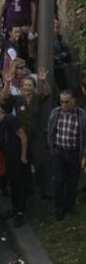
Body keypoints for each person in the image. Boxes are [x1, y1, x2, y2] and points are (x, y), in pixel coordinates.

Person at [0, 100, 29, 226]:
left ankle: (20, 212)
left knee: (19, 186)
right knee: (13, 185)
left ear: (0, 109)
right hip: (8, 159)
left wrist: (23, 156)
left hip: (17, 158)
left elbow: (23, 137)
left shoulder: (11, 119)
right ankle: (15, 208)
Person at [46, 90, 86, 221]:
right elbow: (50, 131)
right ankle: (59, 207)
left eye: (66, 102)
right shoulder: (55, 112)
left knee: (73, 181)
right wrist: (52, 149)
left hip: (74, 153)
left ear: (73, 100)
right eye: (61, 101)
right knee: (58, 181)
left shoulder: (82, 115)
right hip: (59, 152)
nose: (63, 105)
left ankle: (69, 205)